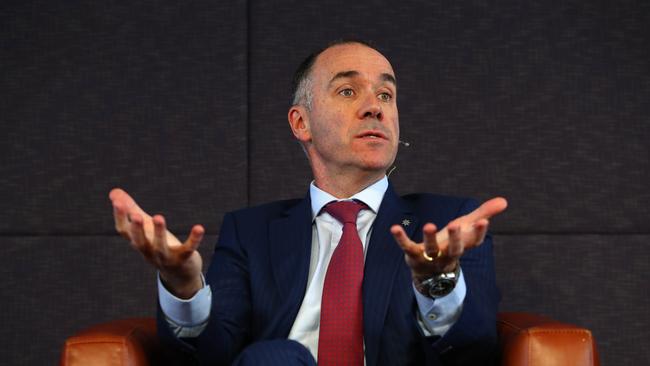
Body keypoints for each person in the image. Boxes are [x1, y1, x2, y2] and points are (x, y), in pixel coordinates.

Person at [110, 40, 507, 365]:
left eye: (386, 93)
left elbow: (474, 354)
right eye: (348, 90)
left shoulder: (447, 224)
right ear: (301, 123)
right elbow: (212, 357)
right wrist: (184, 290)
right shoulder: (250, 233)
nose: (375, 106)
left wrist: (436, 284)